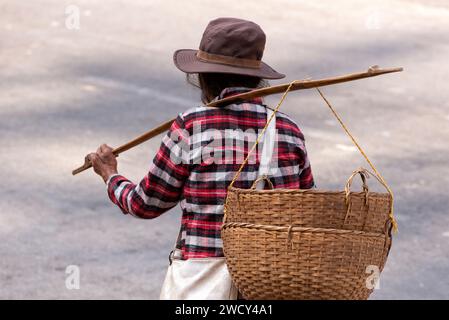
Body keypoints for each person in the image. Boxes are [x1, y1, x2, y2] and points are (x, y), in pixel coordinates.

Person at [87, 17, 314, 297]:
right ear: (257, 77)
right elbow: (308, 211)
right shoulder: (289, 131)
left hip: (203, 282)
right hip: (275, 284)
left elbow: (144, 204)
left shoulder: (191, 126)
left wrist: (110, 175)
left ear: (205, 77)